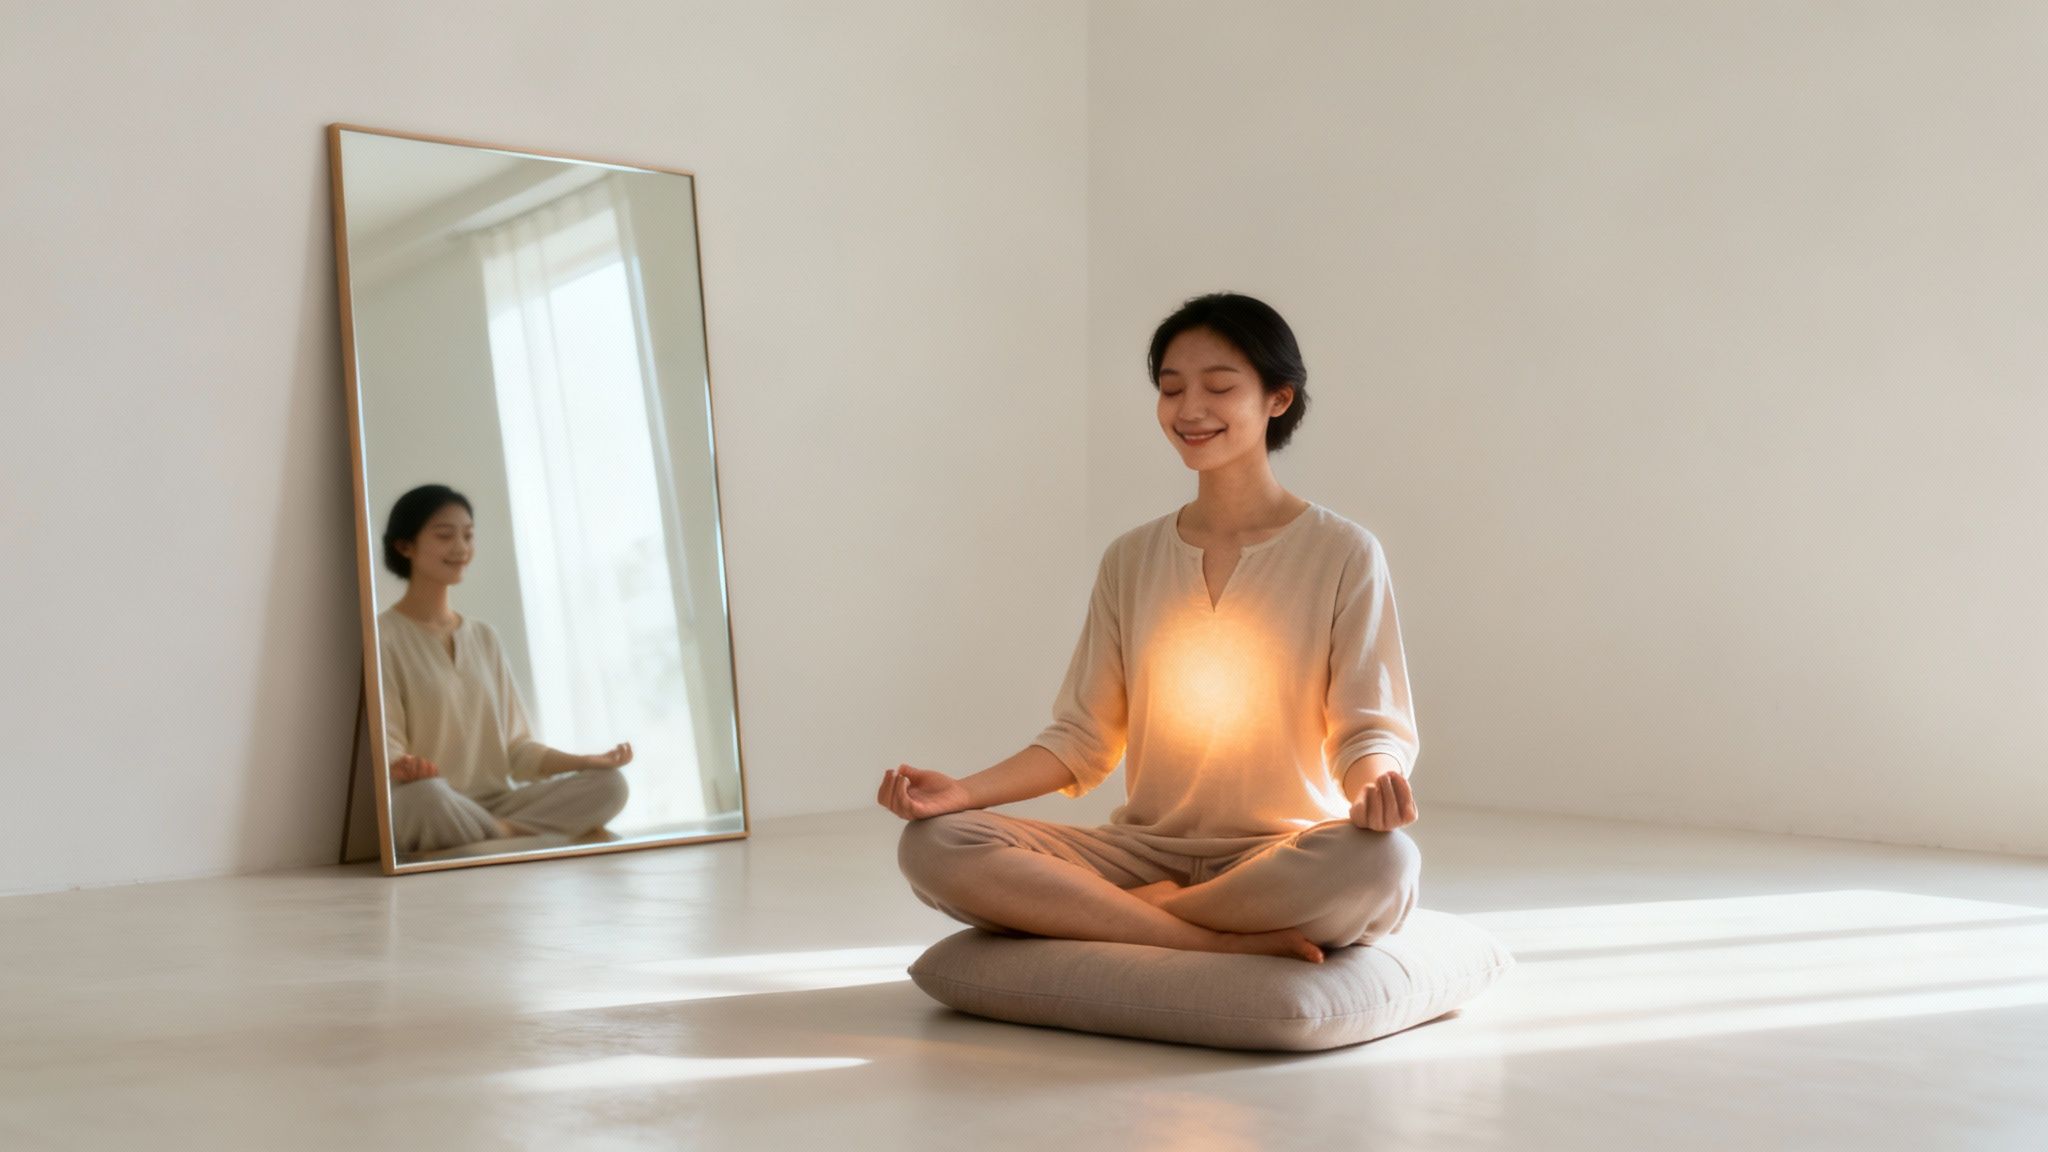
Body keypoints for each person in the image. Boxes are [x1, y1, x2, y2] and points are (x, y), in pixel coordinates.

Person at [883, 293, 1421, 964]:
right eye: (1171, 390)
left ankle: (1124, 920)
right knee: (934, 844)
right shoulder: (1131, 558)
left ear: (1277, 399)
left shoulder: (1343, 552)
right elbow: (1083, 739)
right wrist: (961, 793)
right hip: (1142, 853)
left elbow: (1369, 726)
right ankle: (1203, 936)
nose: (1189, 410)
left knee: (1383, 864)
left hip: (1281, 851)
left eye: (1219, 387)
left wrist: (1375, 786)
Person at [377, 484, 633, 855]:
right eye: (445, 535)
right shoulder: (382, 636)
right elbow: (388, 745)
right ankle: (540, 836)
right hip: (437, 802)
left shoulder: (484, 637)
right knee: (422, 797)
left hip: (501, 805)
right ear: (405, 546)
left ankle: (497, 836)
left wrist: (585, 761)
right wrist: (403, 766)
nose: (461, 548)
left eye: (468, 535)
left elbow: (518, 751)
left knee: (611, 785)